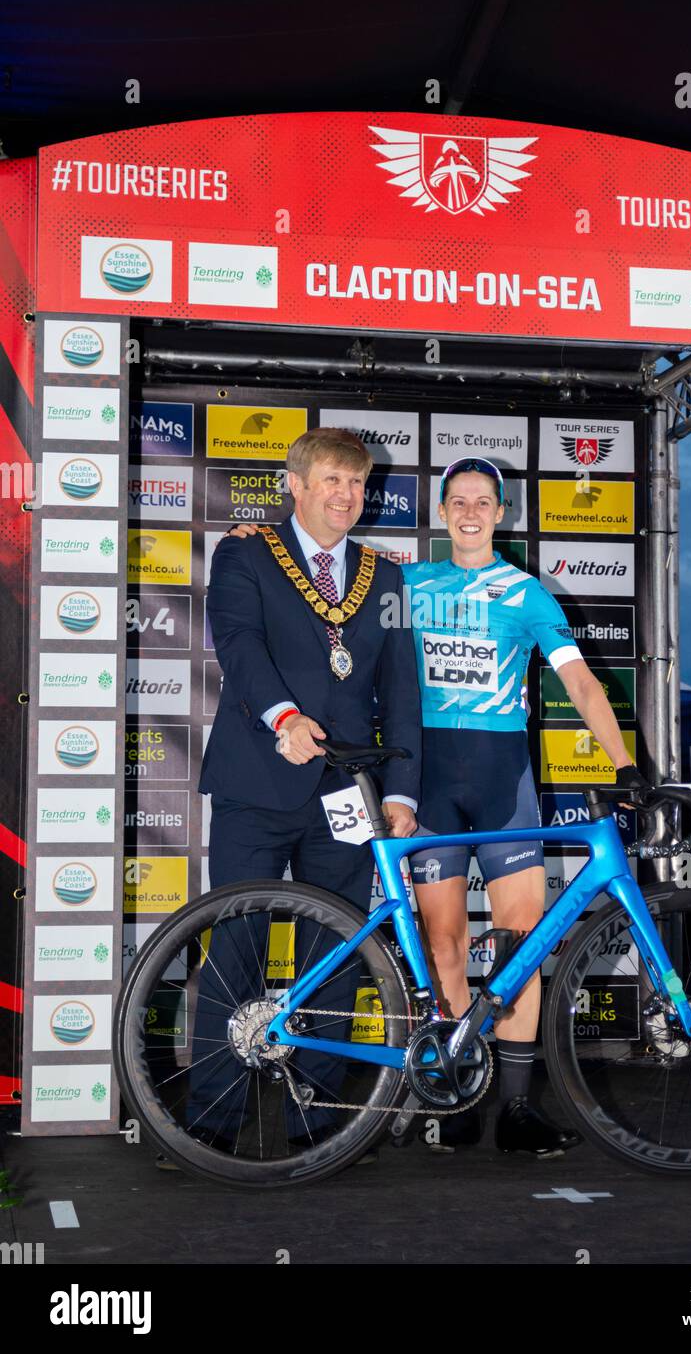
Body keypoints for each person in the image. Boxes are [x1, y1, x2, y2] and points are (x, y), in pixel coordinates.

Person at [229, 453, 647, 1159]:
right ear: (443, 511)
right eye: (458, 500)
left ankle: (516, 1107)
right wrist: (257, 535)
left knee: (521, 946)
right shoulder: (404, 582)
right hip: (426, 785)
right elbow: (313, 592)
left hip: (503, 780)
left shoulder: (527, 594)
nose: (471, 512)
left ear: (501, 512)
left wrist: (625, 763)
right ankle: (456, 1091)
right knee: (444, 946)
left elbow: (579, 686)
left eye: (484, 501)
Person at [184, 427, 420, 1159]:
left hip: (347, 793)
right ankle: (209, 1116)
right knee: (238, 947)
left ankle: (324, 1118)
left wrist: (404, 789)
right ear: (295, 483)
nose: (345, 496)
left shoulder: (387, 577)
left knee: (341, 952)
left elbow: (401, 689)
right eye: (330, 480)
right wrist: (283, 717)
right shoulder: (243, 552)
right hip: (258, 780)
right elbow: (239, 646)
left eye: (356, 483)